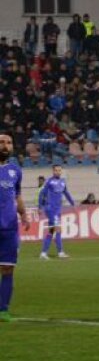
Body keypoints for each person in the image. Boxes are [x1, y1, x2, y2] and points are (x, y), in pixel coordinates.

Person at [0, 133, 32, 321]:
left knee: (8, 268)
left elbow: (17, 195)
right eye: (2, 142)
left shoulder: (15, 171)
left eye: (9, 143)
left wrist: (23, 214)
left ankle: (3, 309)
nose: (6, 146)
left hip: (9, 227)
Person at [37, 163, 76, 259]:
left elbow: (66, 193)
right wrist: (40, 207)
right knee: (58, 229)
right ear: (53, 171)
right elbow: (42, 194)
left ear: (61, 171)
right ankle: (60, 252)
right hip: (50, 209)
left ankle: (43, 253)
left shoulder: (63, 181)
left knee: (51, 231)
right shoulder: (49, 181)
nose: (58, 172)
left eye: (59, 170)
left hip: (57, 210)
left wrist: (73, 203)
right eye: (56, 170)